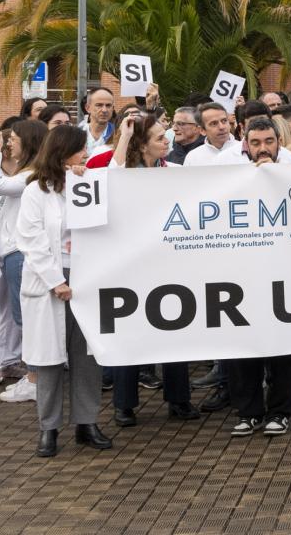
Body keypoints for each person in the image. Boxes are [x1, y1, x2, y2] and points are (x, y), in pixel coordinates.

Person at [15, 125, 112, 456]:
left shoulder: (84, 184)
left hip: (85, 277)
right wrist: (56, 280)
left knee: (86, 356)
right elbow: (30, 239)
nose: (85, 154)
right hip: (49, 283)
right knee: (50, 359)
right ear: (62, 151)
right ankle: (49, 427)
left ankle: (86, 422)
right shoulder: (35, 192)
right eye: (80, 149)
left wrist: (82, 181)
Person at [103, 111, 200, 425]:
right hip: (129, 268)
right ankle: (124, 404)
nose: (167, 142)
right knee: (129, 335)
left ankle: (179, 400)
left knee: (175, 332)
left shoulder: (174, 171)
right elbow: (108, 177)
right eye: (160, 138)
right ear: (142, 146)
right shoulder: (125, 173)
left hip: (169, 265)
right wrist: (126, 136)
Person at [227, 118, 291, 436]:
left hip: (285, 269)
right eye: (256, 143)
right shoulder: (226, 169)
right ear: (246, 143)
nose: (263, 148)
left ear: (278, 141)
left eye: (269, 142)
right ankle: (248, 412)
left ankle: (281, 411)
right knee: (243, 345)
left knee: (285, 345)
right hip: (240, 272)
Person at [0, 120, 47, 402]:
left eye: (13, 139)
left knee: (26, 320)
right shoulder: (26, 173)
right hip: (12, 252)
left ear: (28, 142)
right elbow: (7, 206)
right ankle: (34, 377)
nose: (7, 143)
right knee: (22, 319)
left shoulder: (31, 174)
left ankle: (36, 380)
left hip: (21, 254)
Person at [81, 86, 116, 156]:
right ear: (87, 108)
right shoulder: (75, 134)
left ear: (113, 108)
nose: (104, 110)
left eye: (108, 105)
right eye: (99, 105)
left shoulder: (119, 134)